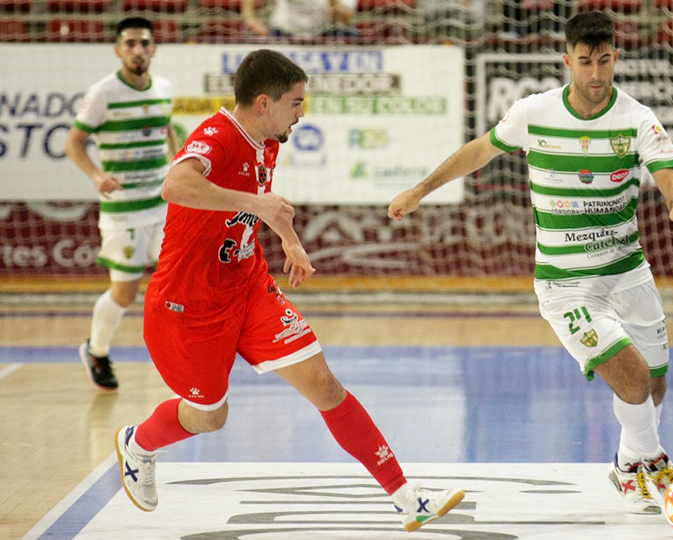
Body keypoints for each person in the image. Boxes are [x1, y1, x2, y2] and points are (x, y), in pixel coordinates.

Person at [113, 49, 464, 532]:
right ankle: (138, 443)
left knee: (323, 383)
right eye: (296, 103)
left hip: (248, 285)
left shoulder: (269, 139)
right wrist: (254, 202)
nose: (302, 113)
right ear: (263, 102)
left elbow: (264, 209)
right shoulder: (216, 137)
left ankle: (406, 497)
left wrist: (290, 243)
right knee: (210, 417)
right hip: (187, 304)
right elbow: (175, 185)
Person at [388, 11, 673, 515]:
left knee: (655, 384)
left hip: (628, 272)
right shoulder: (534, 112)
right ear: (567, 61)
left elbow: (669, 173)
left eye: (604, 61)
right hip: (565, 283)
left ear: (616, 57)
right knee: (634, 379)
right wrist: (422, 189)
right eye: (584, 62)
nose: (596, 74)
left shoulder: (638, 118)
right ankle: (653, 459)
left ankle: (627, 464)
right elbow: (479, 151)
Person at [66, 16, 177, 391]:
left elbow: (167, 132)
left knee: (178, 280)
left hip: (162, 205)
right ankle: (96, 349)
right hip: (123, 209)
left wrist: (179, 171)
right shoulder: (103, 93)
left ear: (153, 49)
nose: (138, 50)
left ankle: (182, 359)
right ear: (118, 50)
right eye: (130, 43)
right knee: (125, 292)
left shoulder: (164, 88)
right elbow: (74, 143)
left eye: (144, 43)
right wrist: (97, 176)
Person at [241, 0, 360, 39]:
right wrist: (250, 18)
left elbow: (346, 19)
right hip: (283, 31)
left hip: (323, 32)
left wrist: (332, 2)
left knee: (355, 36)